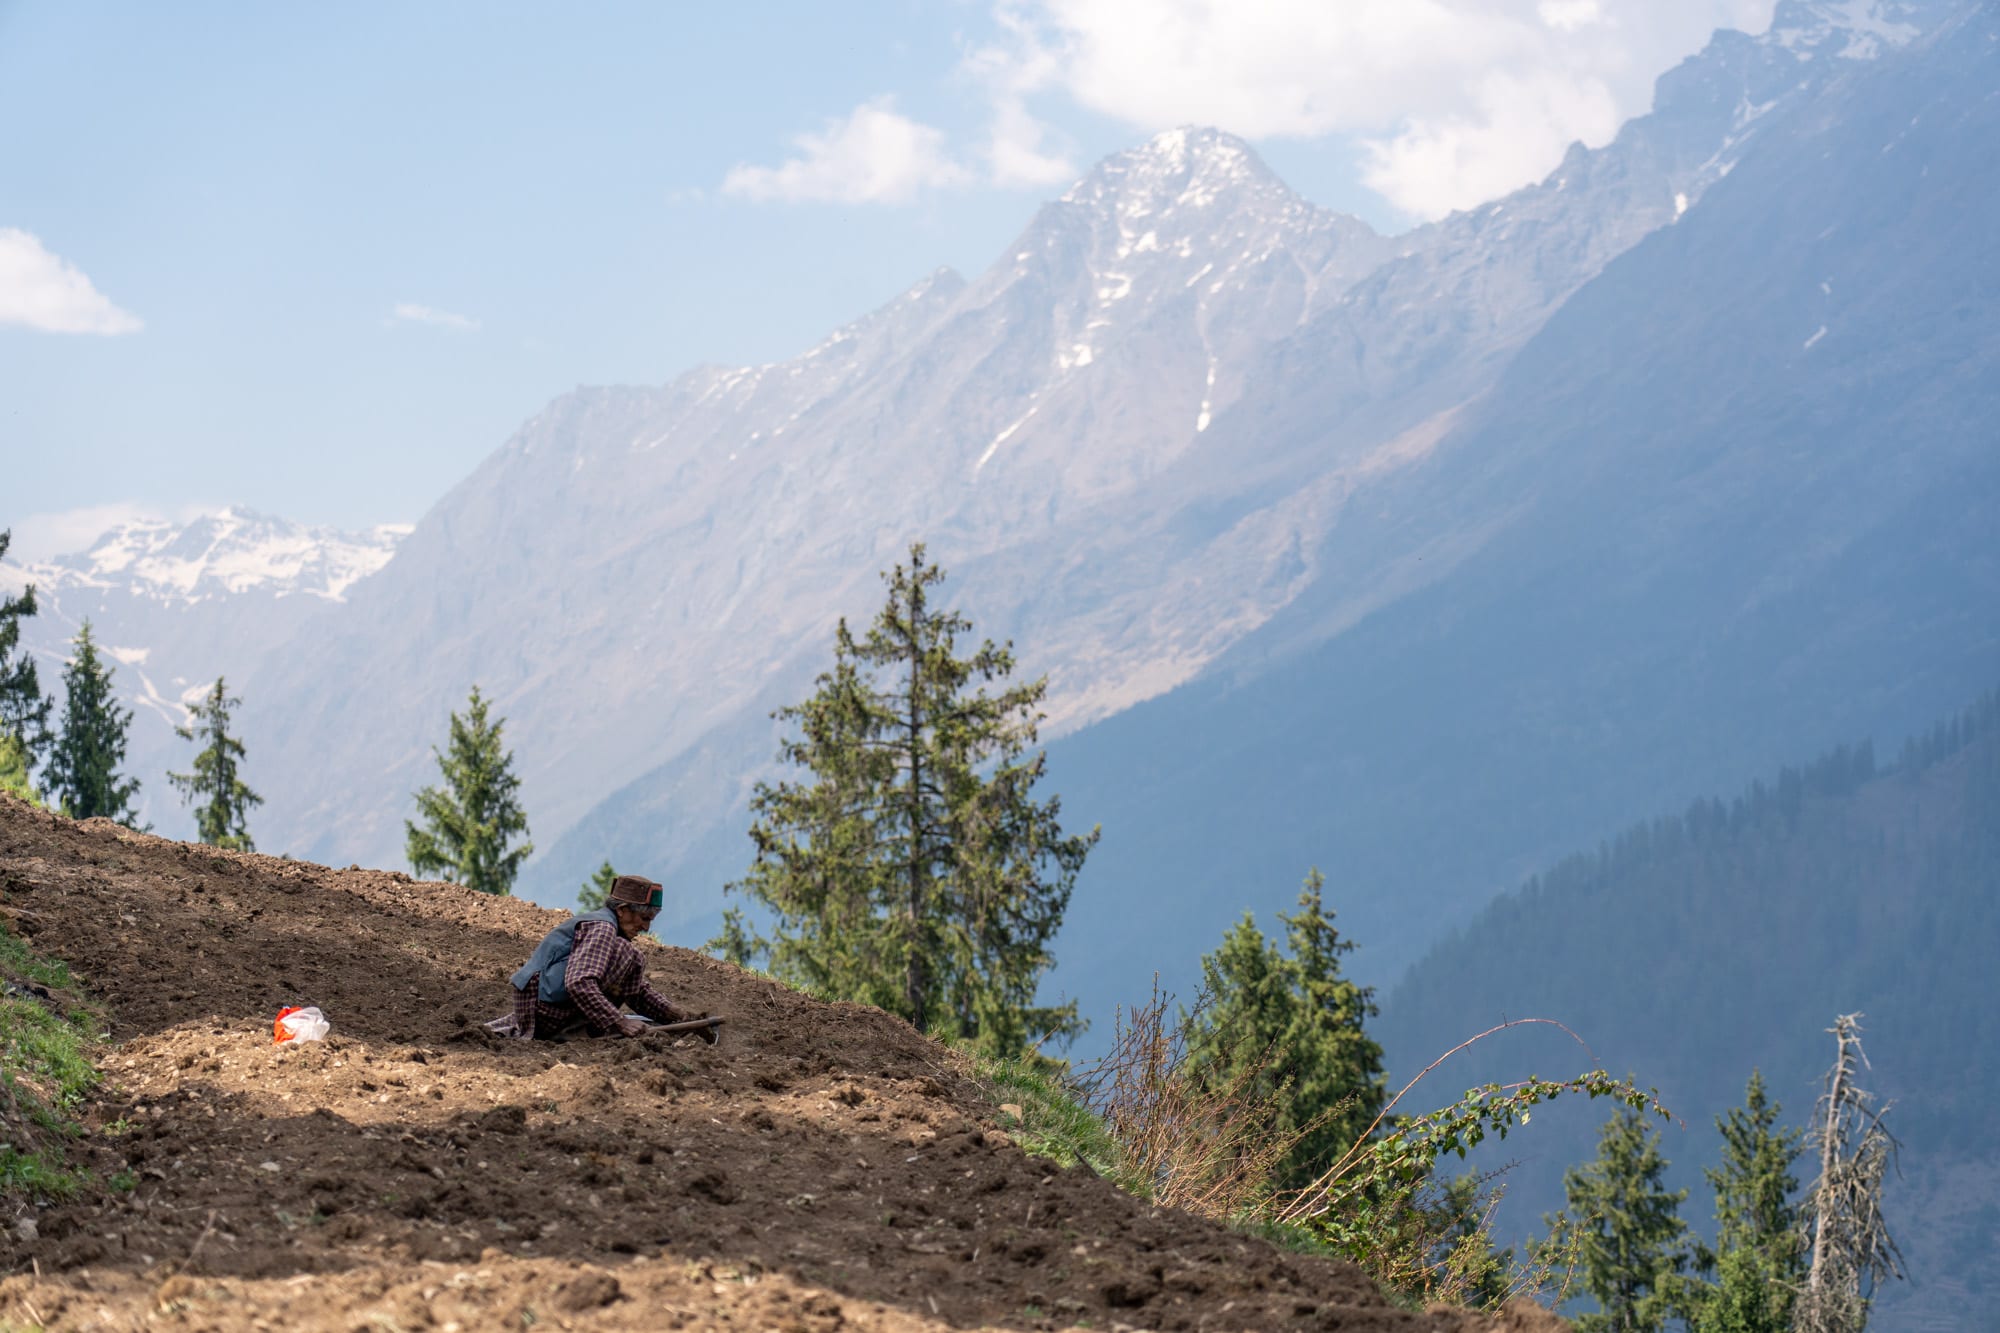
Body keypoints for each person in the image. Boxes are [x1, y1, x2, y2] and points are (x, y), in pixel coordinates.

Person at [504, 874, 708, 1041]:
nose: (646, 928)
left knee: (631, 957)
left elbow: (635, 991)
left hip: (539, 1007)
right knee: (625, 952)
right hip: (542, 1011)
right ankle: (572, 1030)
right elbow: (579, 982)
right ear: (622, 911)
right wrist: (619, 1021)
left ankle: (580, 1026)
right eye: (644, 918)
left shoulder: (607, 928)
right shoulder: (603, 929)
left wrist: (677, 1015)